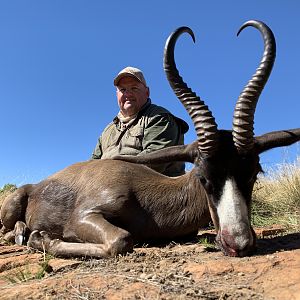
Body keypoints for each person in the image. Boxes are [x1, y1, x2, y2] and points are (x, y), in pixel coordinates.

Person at [91, 66, 189, 177]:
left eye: (134, 88)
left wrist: (101, 178)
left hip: (150, 189)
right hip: (104, 188)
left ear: (147, 92)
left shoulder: (159, 118)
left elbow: (153, 163)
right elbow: (91, 164)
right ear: (117, 94)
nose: (128, 94)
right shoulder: (108, 130)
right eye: (123, 89)